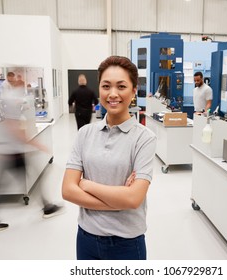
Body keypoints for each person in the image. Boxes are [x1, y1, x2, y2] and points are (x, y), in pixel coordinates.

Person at [62, 56, 157, 260]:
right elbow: (68, 191)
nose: (113, 94)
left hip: (127, 243)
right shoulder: (84, 134)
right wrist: (119, 199)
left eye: (121, 86)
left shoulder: (144, 138)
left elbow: (133, 199)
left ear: (133, 91)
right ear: (100, 89)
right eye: (106, 86)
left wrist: (86, 184)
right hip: (86, 239)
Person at [0, 80, 63, 235]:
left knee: (1, 185)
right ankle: (47, 207)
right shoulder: (11, 100)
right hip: (11, 153)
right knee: (19, 180)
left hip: (7, 151)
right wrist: (37, 145)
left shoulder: (10, 98)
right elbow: (15, 130)